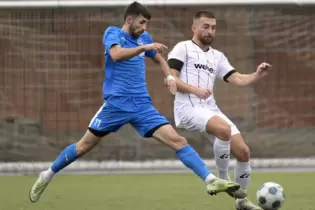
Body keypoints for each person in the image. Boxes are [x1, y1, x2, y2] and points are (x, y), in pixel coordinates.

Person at [29, 2, 244, 203]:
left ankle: (210, 180)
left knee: (178, 141)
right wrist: (144, 47)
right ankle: (48, 174)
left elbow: (159, 57)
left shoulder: (145, 38)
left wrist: (169, 76)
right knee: (83, 146)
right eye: (142, 23)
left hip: (142, 106)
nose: (144, 27)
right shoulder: (113, 33)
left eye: (147, 24)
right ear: (129, 20)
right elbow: (116, 55)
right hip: (116, 105)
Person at [167, 10, 272, 210]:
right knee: (223, 129)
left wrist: (257, 74)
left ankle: (241, 202)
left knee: (243, 152)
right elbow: (172, 78)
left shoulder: (217, 57)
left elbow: (239, 79)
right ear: (194, 28)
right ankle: (222, 178)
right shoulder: (183, 48)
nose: (210, 31)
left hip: (209, 109)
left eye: (213, 28)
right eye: (205, 26)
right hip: (187, 108)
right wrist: (195, 90)